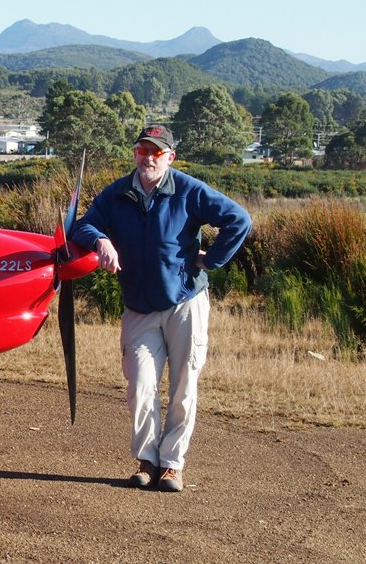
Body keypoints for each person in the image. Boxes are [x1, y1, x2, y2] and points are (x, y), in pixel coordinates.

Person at [71, 125, 251, 492]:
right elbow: (81, 225)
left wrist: (210, 261)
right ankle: (146, 460)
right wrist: (101, 240)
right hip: (138, 307)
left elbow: (239, 220)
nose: (148, 158)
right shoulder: (117, 193)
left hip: (185, 303)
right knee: (140, 384)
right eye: (142, 150)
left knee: (184, 386)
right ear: (135, 153)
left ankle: (172, 465)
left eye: (156, 152)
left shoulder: (187, 190)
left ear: (170, 157)